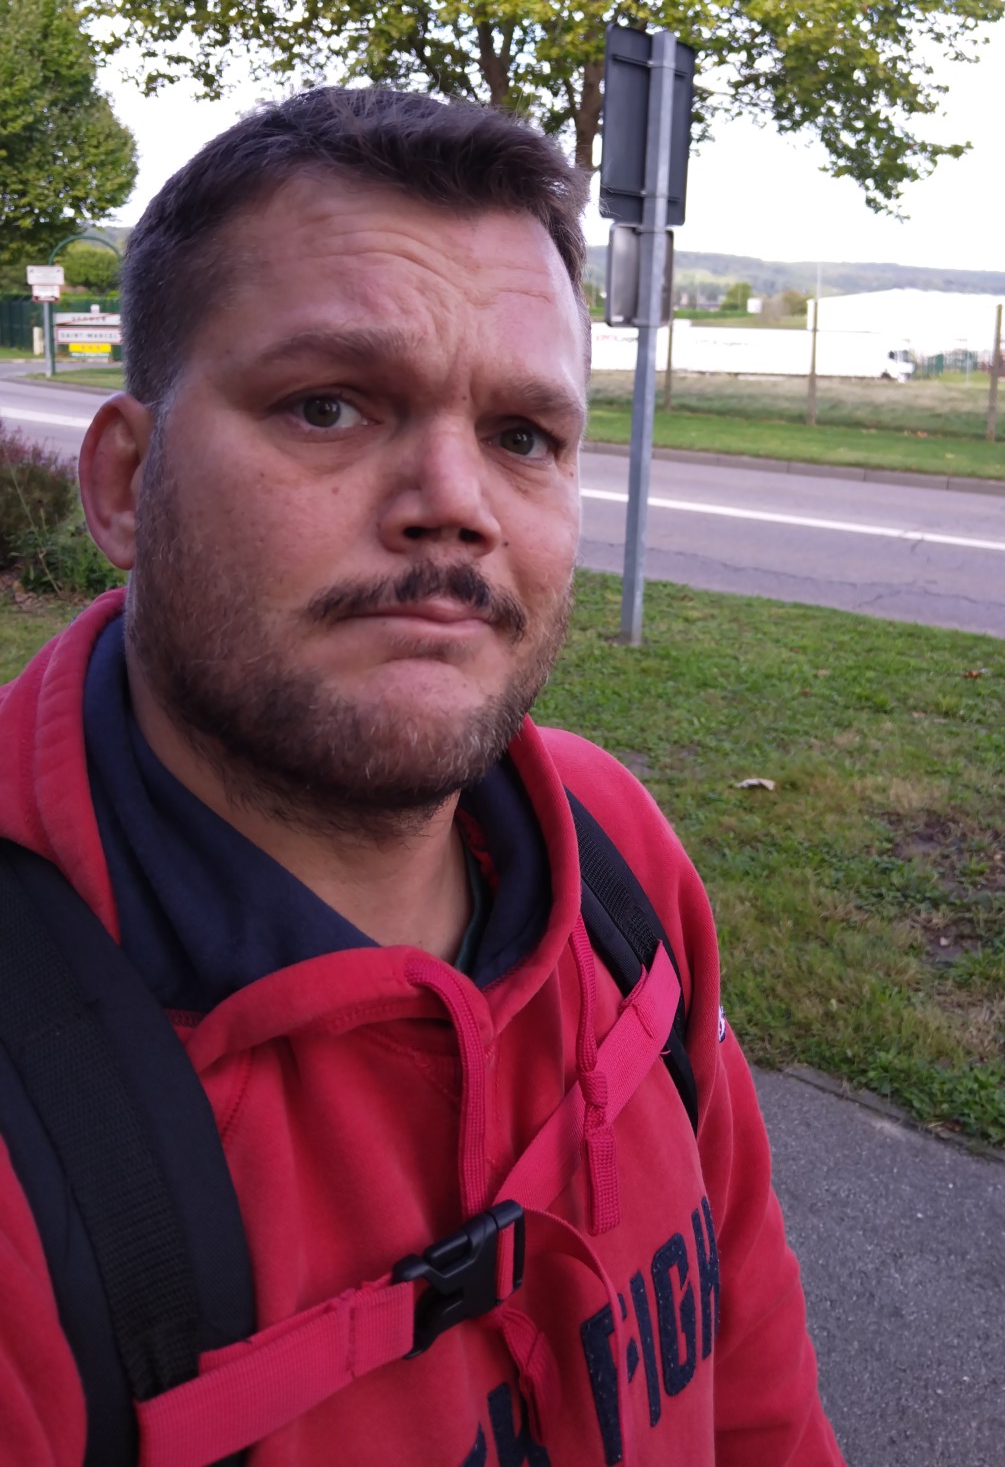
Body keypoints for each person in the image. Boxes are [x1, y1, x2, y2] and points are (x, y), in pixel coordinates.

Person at [0, 87, 844, 1466]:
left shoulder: (613, 857)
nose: (455, 500)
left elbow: (757, 1391)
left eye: (524, 438)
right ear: (124, 486)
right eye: (329, 406)